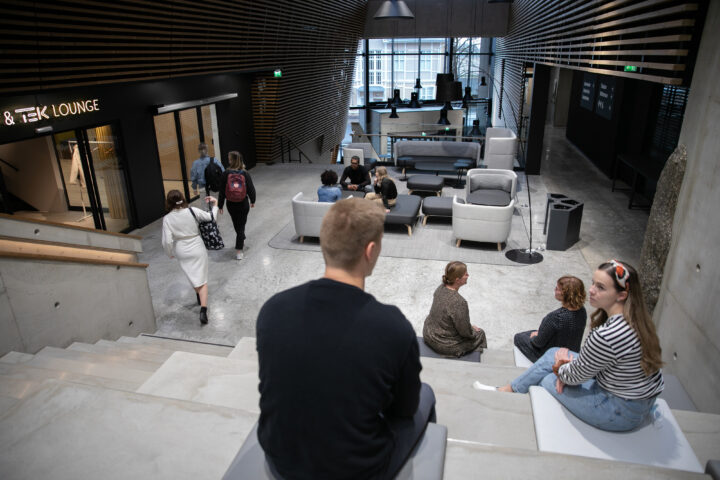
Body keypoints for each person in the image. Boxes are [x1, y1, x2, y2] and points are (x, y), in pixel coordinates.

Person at [256, 198, 436, 480]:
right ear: (370, 250)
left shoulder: (272, 309)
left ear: (324, 243)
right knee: (426, 394)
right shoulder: (392, 326)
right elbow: (404, 409)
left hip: (280, 458)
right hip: (356, 470)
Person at [475, 260, 664, 432]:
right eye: (593, 283)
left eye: (601, 287)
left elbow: (572, 377)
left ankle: (509, 395)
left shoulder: (607, 335)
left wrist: (560, 367)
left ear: (621, 295)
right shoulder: (639, 321)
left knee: (546, 378)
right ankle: (509, 389)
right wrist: (563, 362)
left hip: (618, 410)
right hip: (641, 402)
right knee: (553, 353)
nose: (591, 290)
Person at [161, 189, 218, 325]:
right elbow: (211, 218)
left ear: (169, 202)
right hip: (197, 246)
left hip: (181, 249)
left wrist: (170, 253)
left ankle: (199, 295)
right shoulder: (192, 211)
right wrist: (215, 205)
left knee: (192, 276)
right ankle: (203, 309)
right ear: (182, 198)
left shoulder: (167, 219)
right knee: (202, 279)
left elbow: (167, 241)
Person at [513, 276, 587, 362]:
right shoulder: (582, 311)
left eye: (557, 289)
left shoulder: (555, 317)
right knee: (535, 332)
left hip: (552, 356)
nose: (555, 290)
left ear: (564, 293)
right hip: (571, 352)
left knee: (519, 337)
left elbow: (537, 343)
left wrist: (535, 337)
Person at [423, 261, 487, 357]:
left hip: (428, 333)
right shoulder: (459, 302)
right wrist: (472, 330)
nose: (468, 275)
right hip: (442, 343)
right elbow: (465, 332)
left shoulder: (440, 288)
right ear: (458, 280)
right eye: (466, 274)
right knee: (480, 333)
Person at [218, 151, 256, 260]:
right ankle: (240, 248)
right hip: (243, 203)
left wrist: (220, 205)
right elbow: (251, 188)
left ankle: (240, 242)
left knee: (237, 224)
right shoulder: (245, 173)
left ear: (232, 160)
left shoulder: (226, 173)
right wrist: (253, 200)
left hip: (231, 203)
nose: (228, 160)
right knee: (241, 225)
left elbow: (222, 191)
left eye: (229, 158)